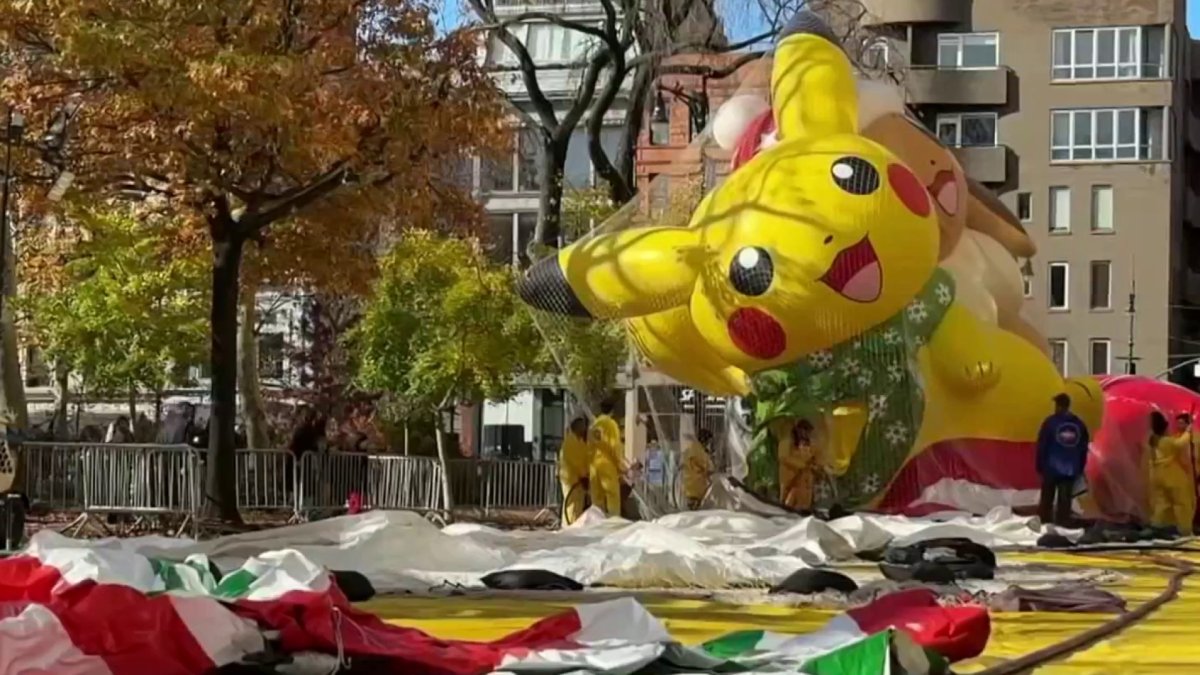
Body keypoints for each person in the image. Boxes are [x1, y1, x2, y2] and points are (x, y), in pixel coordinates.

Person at [1036, 393, 1090, 527]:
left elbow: (1042, 445)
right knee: (1065, 502)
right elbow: (1083, 447)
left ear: (1058, 405)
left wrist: (1039, 465)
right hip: (1070, 469)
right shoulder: (1079, 424)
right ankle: (1063, 524)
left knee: (1047, 500)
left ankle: (1044, 524)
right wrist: (1080, 467)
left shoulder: (1050, 423)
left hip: (1051, 468)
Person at [1147, 411, 1196, 535]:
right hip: (1171, 476)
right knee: (1182, 503)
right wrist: (1188, 432)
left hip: (1157, 475)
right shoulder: (1166, 441)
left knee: (1162, 503)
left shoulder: (1153, 441)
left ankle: (1158, 526)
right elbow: (1179, 444)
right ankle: (1185, 530)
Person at [588, 399, 627, 517]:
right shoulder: (611, 424)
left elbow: (588, 447)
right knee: (612, 496)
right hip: (607, 465)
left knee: (596, 498)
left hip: (594, 465)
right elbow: (614, 446)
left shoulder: (594, 425)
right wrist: (621, 466)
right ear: (612, 411)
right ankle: (613, 523)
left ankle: (597, 522)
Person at [558, 417, 590, 525]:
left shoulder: (580, 442)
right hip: (571, 479)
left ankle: (574, 524)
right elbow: (576, 461)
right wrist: (583, 476)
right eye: (583, 426)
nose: (585, 428)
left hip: (578, 480)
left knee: (578, 505)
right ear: (577, 427)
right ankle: (569, 525)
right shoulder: (571, 442)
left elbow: (585, 459)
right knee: (572, 505)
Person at [780, 419, 817, 511]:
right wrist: (803, 465)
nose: (807, 434)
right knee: (789, 499)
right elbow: (784, 458)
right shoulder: (788, 443)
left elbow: (811, 459)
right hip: (792, 479)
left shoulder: (808, 445)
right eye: (805, 431)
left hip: (804, 480)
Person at [682, 429, 714, 510]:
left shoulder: (700, 449)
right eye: (708, 441)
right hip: (694, 483)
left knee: (698, 505)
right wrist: (705, 470)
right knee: (694, 506)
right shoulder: (695, 449)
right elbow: (696, 464)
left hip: (699, 484)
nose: (709, 443)